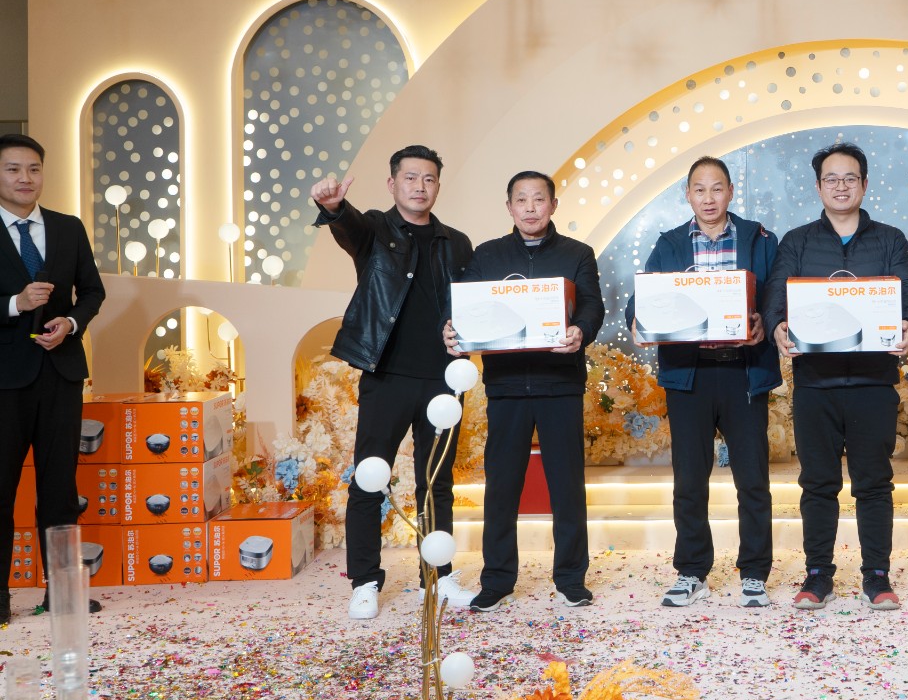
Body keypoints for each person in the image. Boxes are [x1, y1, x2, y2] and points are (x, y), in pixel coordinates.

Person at [311, 145, 476, 620]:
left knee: (436, 481)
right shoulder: (374, 230)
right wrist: (334, 207)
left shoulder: (456, 242)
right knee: (369, 478)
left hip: (443, 379)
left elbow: (470, 303)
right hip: (386, 375)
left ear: (438, 186)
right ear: (392, 184)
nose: (420, 186)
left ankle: (438, 577)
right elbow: (348, 225)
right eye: (410, 178)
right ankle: (364, 581)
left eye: (429, 179)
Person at [762, 142, 908, 611]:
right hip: (816, 383)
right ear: (818, 187)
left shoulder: (889, 239)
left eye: (850, 178)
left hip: (874, 382)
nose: (841, 186)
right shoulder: (797, 241)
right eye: (831, 179)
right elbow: (776, 296)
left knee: (874, 483)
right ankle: (818, 575)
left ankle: (877, 575)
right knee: (817, 483)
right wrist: (777, 326)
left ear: (864, 184)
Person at [445, 171, 604, 611]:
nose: (530, 208)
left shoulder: (577, 253)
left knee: (567, 487)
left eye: (539, 199)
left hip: (560, 384)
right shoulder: (487, 255)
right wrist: (450, 328)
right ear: (509, 207)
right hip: (507, 385)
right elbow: (464, 305)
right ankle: (497, 580)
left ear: (553, 205)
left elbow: (593, 304)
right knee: (501, 487)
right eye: (522, 199)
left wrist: (580, 330)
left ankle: (570, 578)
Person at [625, 156, 779, 608]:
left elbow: (778, 294)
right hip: (688, 374)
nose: (708, 198)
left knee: (753, 480)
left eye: (716, 189)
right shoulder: (670, 243)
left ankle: (754, 573)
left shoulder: (759, 238)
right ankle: (692, 570)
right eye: (699, 189)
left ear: (730, 191)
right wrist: (637, 319)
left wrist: (765, 321)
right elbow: (642, 297)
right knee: (689, 480)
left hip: (743, 372)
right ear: (688, 195)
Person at [0, 135, 107, 624]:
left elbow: (92, 291)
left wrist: (71, 322)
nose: (25, 178)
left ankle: (62, 594)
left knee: (60, 489)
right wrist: (14, 304)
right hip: (4, 380)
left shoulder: (67, 227)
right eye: (13, 169)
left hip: (60, 373)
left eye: (34, 169)